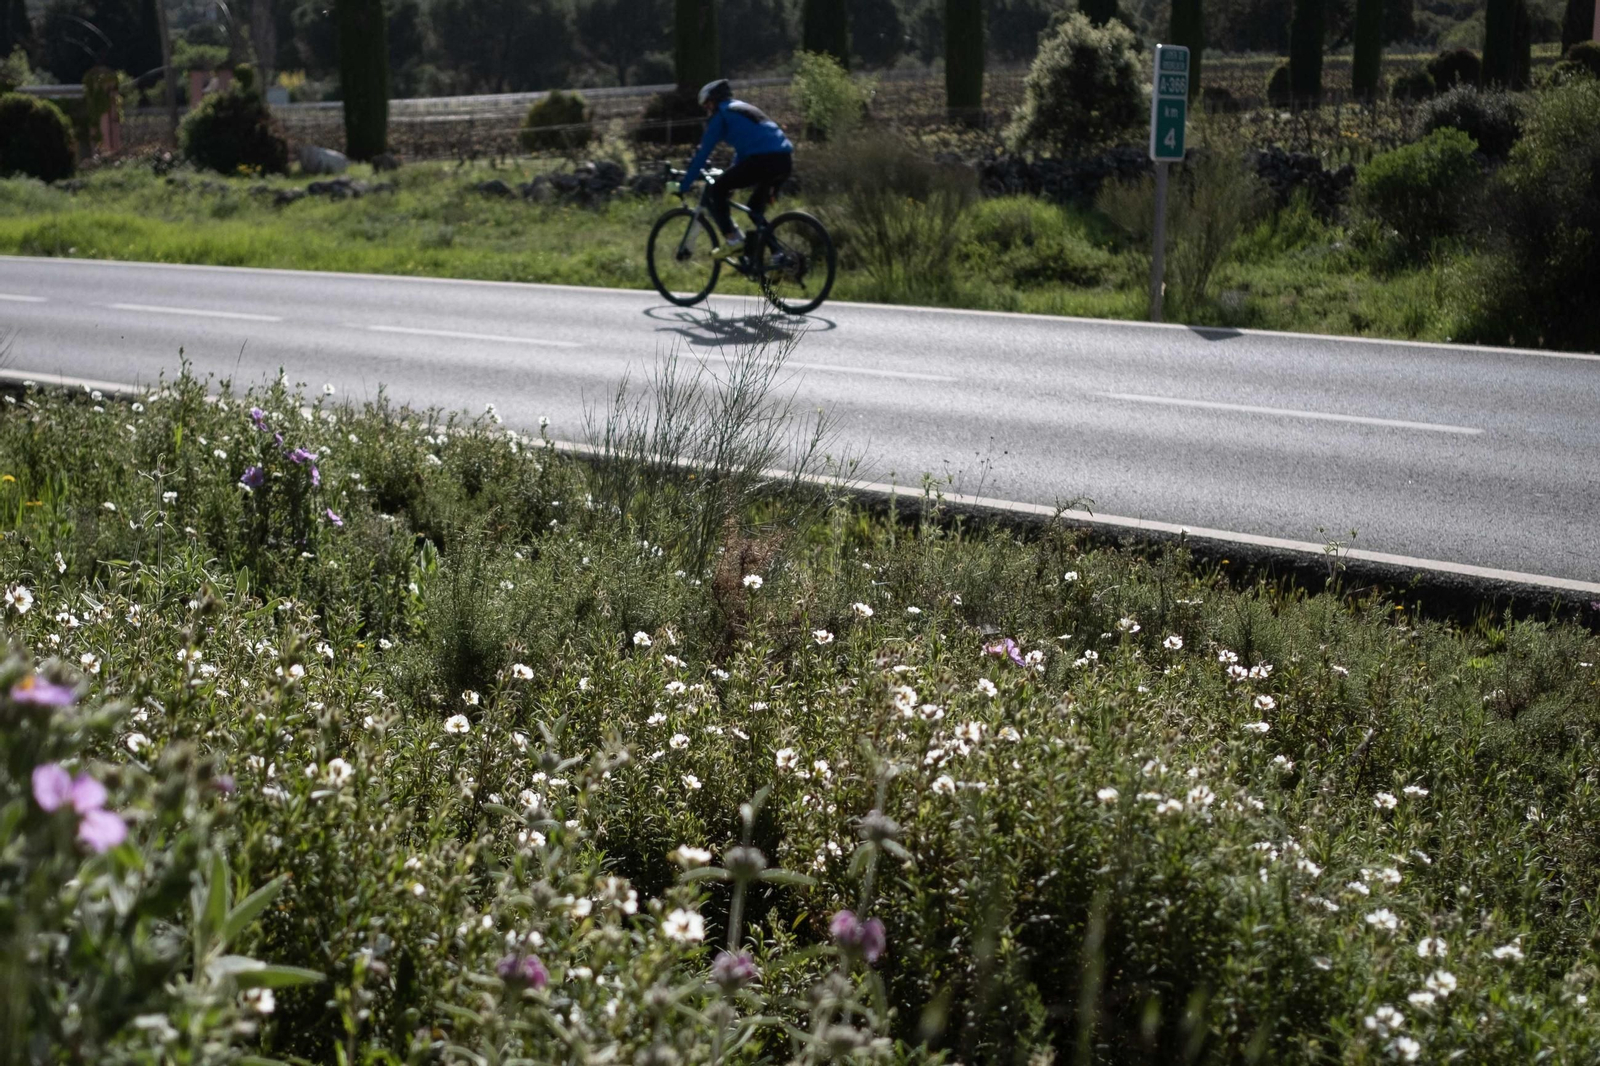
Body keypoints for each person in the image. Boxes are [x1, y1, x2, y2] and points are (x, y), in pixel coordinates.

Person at [679, 79, 794, 258]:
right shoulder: (743, 108)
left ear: (715, 100)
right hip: (784, 160)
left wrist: (684, 185)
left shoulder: (721, 115)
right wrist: (732, 175)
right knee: (755, 210)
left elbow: (703, 154)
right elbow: (744, 151)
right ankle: (778, 255)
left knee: (717, 190)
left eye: (707, 104)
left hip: (762, 161)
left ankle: (733, 241)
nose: (707, 109)